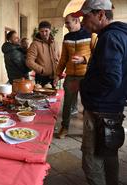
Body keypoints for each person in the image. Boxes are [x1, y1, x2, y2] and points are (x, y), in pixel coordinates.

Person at [73, 0, 127, 184]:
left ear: (101, 15)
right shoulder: (120, 35)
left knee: (92, 160)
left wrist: (84, 87)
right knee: (109, 153)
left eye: (86, 17)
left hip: (100, 109)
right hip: (114, 106)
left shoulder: (109, 37)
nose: (82, 23)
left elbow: (111, 78)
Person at [54, 13, 97, 139]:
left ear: (76, 21)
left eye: (68, 23)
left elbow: (97, 54)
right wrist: (57, 74)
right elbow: (63, 58)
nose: (66, 25)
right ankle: (64, 127)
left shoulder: (90, 34)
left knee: (87, 104)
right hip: (70, 76)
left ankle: (88, 129)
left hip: (86, 76)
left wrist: (84, 59)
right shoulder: (66, 37)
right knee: (67, 103)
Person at [26, 21, 60, 87]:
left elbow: (58, 59)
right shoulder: (35, 44)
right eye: (42, 31)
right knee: (41, 97)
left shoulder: (55, 43)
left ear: (50, 30)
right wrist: (41, 70)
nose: (44, 33)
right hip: (41, 77)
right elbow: (29, 61)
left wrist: (57, 74)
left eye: (46, 31)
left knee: (53, 97)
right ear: (39, 31)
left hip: (54, 77)